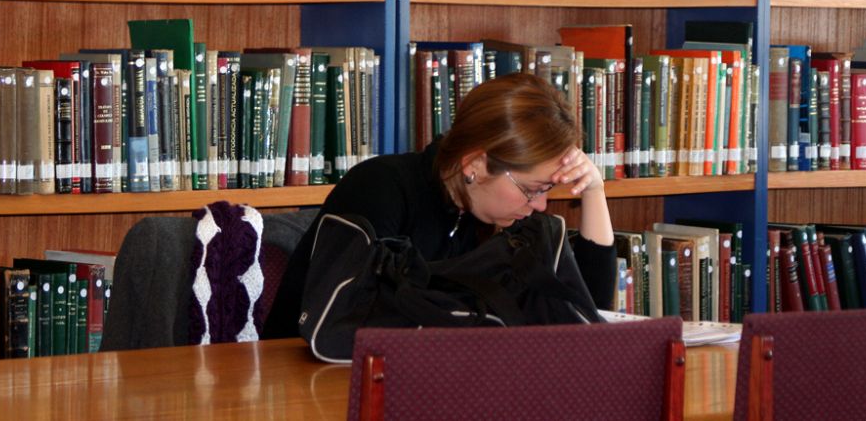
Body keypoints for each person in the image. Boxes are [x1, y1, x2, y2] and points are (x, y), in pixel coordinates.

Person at [262, 72, 617, 339]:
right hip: (311, 374)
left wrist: (593, 192)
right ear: (475, 166)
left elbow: (586, 313)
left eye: (549, 189)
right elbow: (358, 319)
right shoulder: (382, 187)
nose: (540, 206)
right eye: (532, 189)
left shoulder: (494, 214)